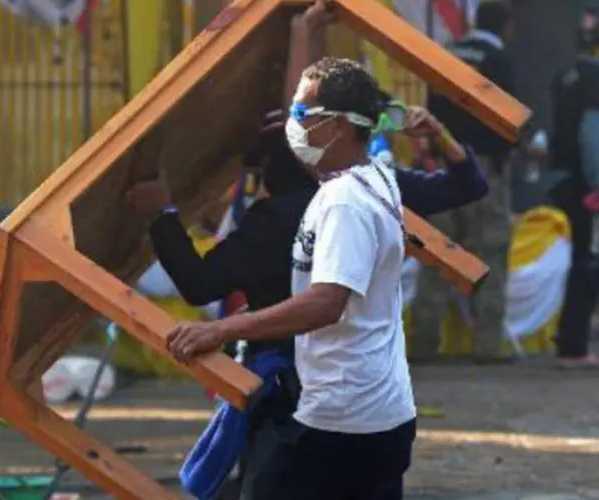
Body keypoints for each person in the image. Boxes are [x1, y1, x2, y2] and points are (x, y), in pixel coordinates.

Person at [126, 3, 488, 499]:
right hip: (382, 408)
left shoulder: (328, 205)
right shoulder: (382, 180)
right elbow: (467, 185)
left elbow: (322, 301)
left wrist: (219, 324)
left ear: (334, 128)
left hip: (330, 414)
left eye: (302, 114)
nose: (295, 123)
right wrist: (305, 32)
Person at [425, 0, 516, 359]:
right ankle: (487, 344)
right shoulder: (498, 60)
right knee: (490, 251)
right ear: (506, 26)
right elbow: (508, 121)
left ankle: (423, 341)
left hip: (445, 171)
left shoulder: (447, 56)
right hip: (485, 173)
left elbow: (431, 112)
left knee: (439, 255)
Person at [548, 5, 599, 368]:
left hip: (567, 181)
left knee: (580, 262)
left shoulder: (566, 76)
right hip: (589, 187)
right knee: (588, 264)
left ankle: (571, 341)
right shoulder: (592, 78)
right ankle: (574, 345)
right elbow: (591, 137)